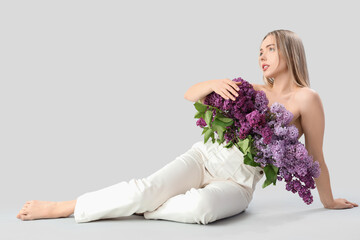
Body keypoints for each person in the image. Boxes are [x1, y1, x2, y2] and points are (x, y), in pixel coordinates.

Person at [16, 29, 358, 224]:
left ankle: (143, 206)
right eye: (259, 50)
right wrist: (213, 81)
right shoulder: (251, 89)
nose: (262, 56)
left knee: (202, 210)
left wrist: (326, 201)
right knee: (144, 187)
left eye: (270, 48)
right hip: (204, 158)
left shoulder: (307, 99)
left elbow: (315, 153)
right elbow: (189, 94)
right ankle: (65, 206)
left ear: (291, 52)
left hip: (239, 183)